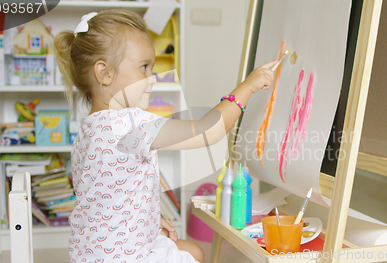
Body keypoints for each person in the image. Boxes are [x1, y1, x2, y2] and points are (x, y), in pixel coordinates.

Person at [54, 9, 276, 263]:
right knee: (196, 254)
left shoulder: (87, 129)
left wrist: (147, 220)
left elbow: (103, 196)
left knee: (192, 250)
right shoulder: (130, 123)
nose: (152, 78)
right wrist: (248, 86)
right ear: (105, 74)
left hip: (90, 254)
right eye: (144, 67)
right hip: (125, 257)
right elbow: (209, 129)